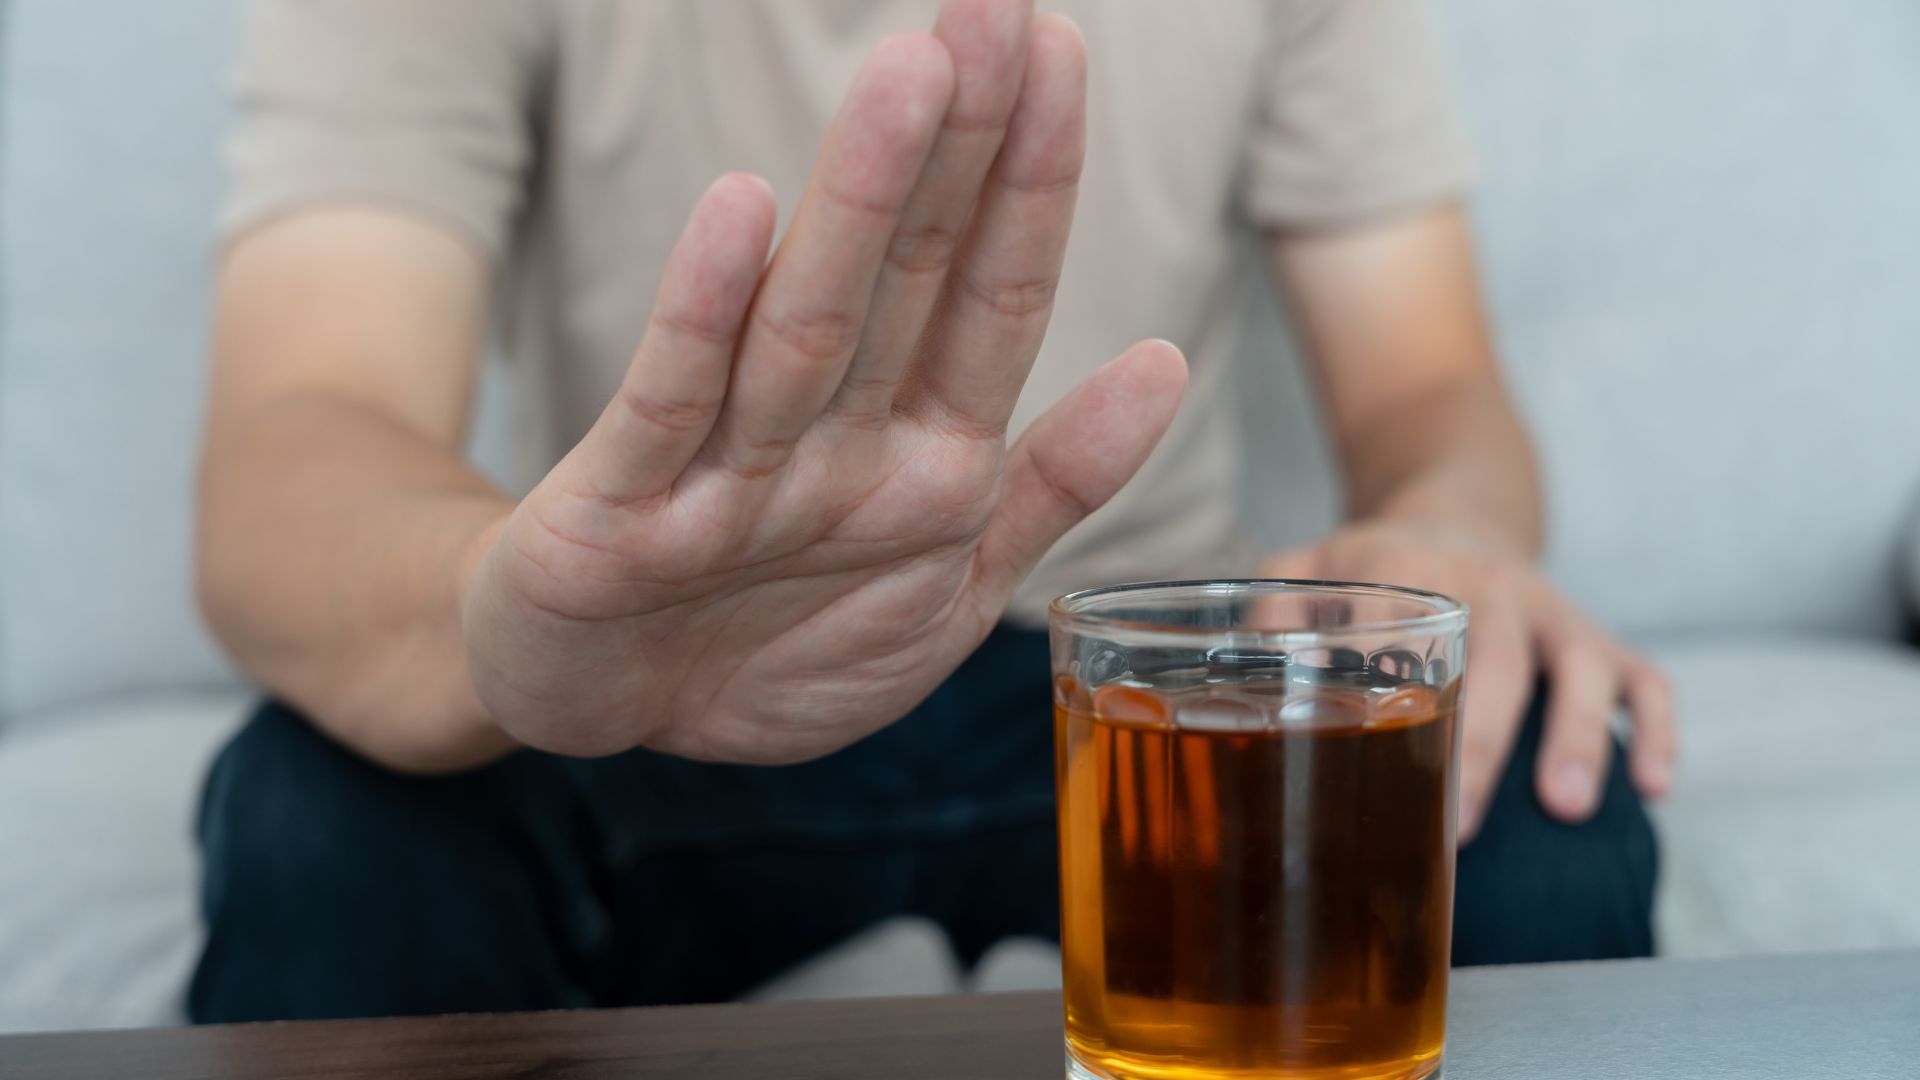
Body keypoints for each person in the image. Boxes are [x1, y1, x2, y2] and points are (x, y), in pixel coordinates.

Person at [190, 0, 1674, 1022]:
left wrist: (1445, 526)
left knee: (1533, 802)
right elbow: (301, 432)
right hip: (652, 683)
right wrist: (498, 620)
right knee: (322, 818)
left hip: (1129, 699)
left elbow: (1428, 382)